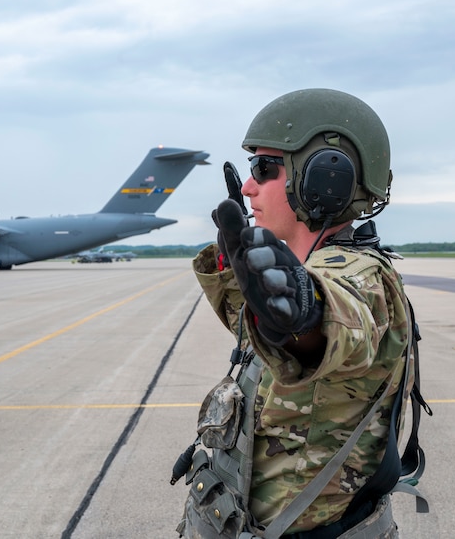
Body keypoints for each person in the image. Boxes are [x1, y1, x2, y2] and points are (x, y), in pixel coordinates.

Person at [175, 88, 415, 539]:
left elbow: (335, 319)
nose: (248, 187)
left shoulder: (361, 277)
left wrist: (306, 310)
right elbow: (266, 338)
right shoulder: (305, 269)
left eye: (263, 169)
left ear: (326, 178)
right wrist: (235, 263)